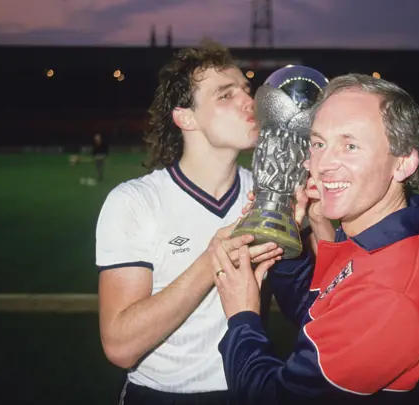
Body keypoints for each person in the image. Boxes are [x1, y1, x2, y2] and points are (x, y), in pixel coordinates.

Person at [211, 73, 419, 404]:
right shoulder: (371, 241)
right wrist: (289, 244)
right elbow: (315, 313)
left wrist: (242, 315)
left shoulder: (390, 290)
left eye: (350, 145)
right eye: (317, 143)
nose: (322, 165)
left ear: (403, 162)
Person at [94, 40, 283, 405]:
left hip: (249, 388)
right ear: (186, 117)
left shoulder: (268, 196)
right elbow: (119, 345)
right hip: (161, 396)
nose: (250, 101)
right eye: (225, 95)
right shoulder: (135, 202)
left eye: (246, 90)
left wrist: (318, 228)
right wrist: (211, 259)